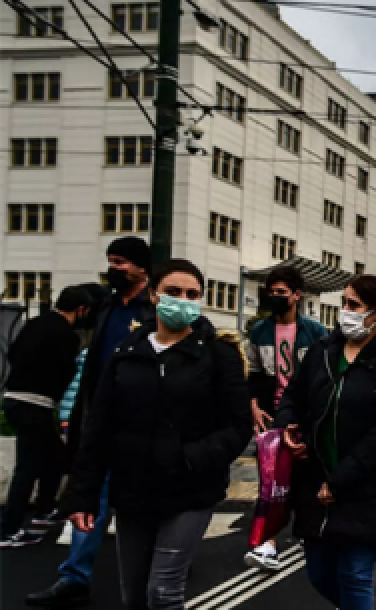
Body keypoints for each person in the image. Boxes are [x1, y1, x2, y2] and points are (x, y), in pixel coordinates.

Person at [63, 259, 252, 609]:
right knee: (133, 594)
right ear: (154, 295)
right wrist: (83, 493)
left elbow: (238, 426)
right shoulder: (127, 353)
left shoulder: (217, 355)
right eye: (173, 292)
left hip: (190, 490)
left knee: (163, 593)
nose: (183, 300)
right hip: (134, 489)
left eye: (192, 294)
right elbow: (99, 428)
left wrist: (192, 457)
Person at [27, 236, 154, 609]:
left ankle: (163, 565)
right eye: (110, 261)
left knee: (144, 503)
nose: (114, 269)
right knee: (88, 500)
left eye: (122, 263)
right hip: (100, 423)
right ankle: (74, 577)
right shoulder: (105, 308)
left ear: (142, 268)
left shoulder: (155, 309)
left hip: (141, 426)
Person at [276, 275, 376, 610]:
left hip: (367, 485)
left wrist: (339, 482)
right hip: (315, 477)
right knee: (319, 573)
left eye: (355, 305)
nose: (346, 311)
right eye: (344, 303)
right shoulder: (323, 352)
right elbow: (292, 396)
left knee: (354, 573)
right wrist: (286, 426)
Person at [243, 265, 328, 570]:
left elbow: (323, 376)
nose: (276, 297)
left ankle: (309, 533)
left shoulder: (316, 332)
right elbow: (253, 373)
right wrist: (254, 405)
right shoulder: (260, 331)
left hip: (305, 416)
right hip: (273, 417)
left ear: (296, 295)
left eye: (282, 292)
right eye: (272, 292)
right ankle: (268, 543)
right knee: (272, 481)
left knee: (304, 479)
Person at [0, 287, 95, 548]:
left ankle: (45, 510)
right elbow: (66, 373)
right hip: (37, 404)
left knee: (55, 457)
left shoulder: (34, 324)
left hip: (14, 399)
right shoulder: (67, 336)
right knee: (27, 468)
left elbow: (12, 353)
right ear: (81, 310)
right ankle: (8, 530)